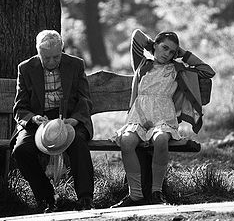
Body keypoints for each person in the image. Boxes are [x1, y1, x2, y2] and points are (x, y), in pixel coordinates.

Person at [111, 29, 215, 207]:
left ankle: (156, 192)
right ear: (155, 45)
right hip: (139, 116)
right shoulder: (142, 64)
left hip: (163, 118)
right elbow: (137, 36)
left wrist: (184, 54)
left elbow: (207, 71)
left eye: (172, 52)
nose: (167, 54)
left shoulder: (177, 69)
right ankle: (135, 194)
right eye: (164, 48)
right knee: (127, 141)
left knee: (160, 140)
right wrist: (152, 47)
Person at [10, 30, 94, 213]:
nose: (51, 62)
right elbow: (20, 107)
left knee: (78, 142)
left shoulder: (75, 64)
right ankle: (47, 198)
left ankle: (85, 199)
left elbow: (84, 99)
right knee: (21, 150)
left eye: (56, 57)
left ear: (62, 50)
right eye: (46, 58)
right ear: (38, 52)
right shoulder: (25, 68)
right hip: (39, 120)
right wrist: (33, 118)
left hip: (68, 118)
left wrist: (76, 119)